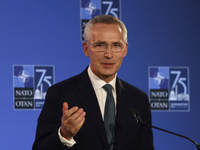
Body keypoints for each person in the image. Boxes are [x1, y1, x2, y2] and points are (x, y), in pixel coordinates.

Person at [32, 15, 154, 150]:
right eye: (100, 45)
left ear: (125, 49)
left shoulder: (139, 100)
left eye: (116, 45)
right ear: (86, 49)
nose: (109, 54)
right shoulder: (60, 94)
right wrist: (64, 135)